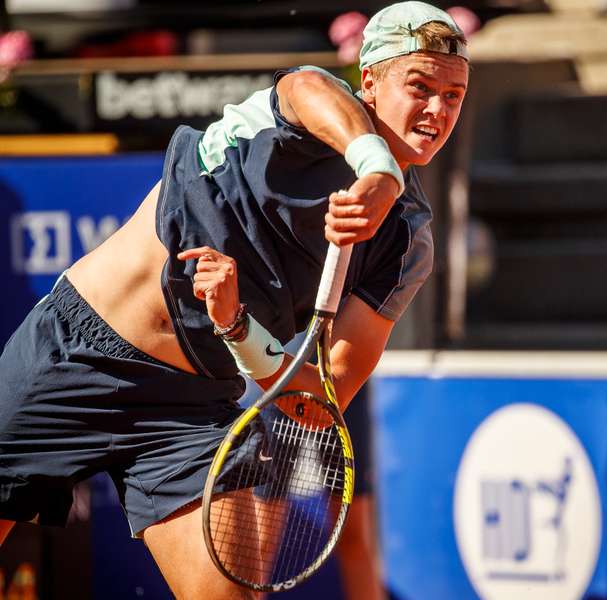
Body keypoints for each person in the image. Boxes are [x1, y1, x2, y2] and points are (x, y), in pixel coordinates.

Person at [0, 2, 469, 598]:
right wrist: (377, 168)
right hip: (75, 350)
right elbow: (307, 85)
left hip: (191, 410)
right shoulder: (304, 105)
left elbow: (319, 405)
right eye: (420, 86)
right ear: (369, 82)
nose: (436, 109)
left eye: (453, 96)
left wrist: (237, 326)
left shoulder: (407, 245)